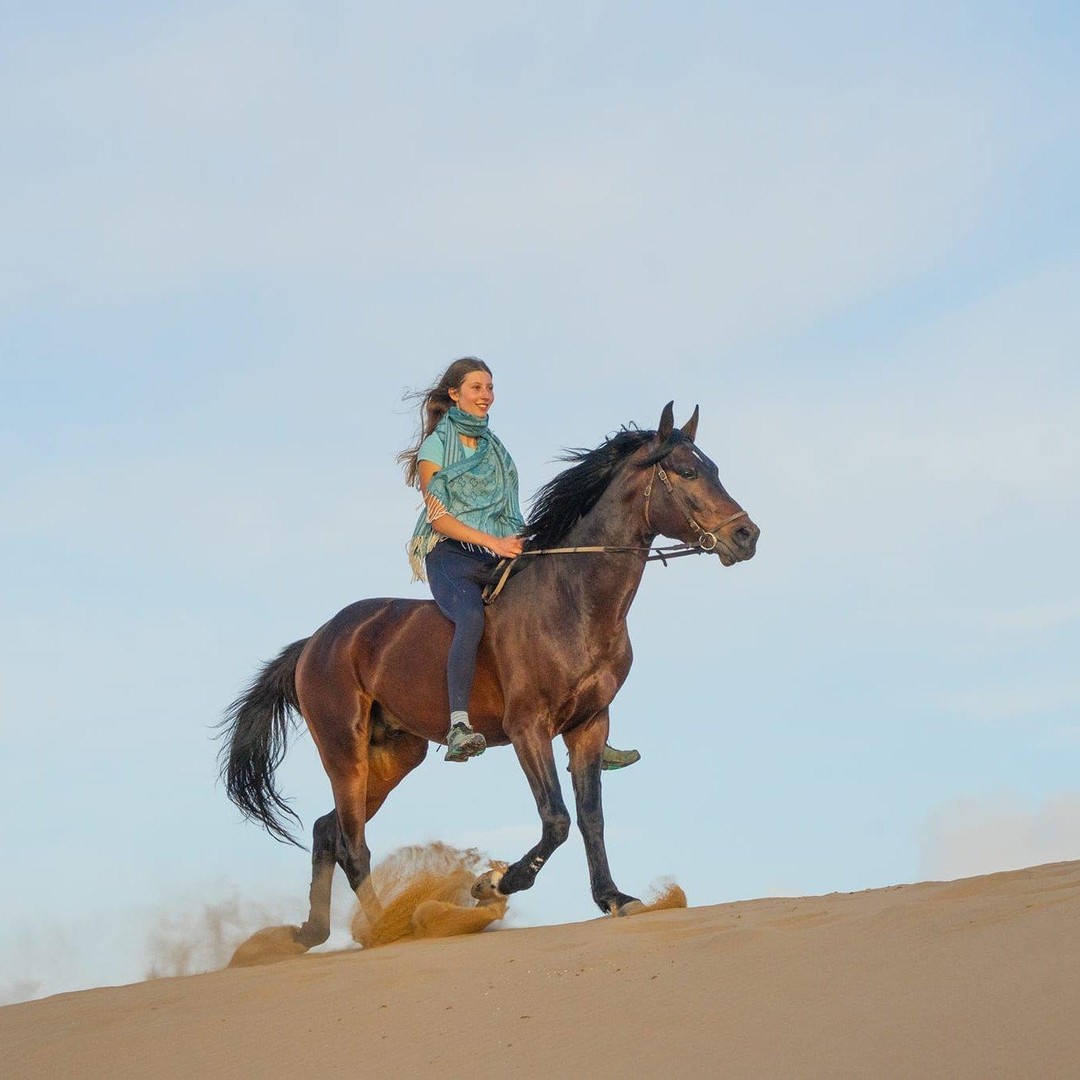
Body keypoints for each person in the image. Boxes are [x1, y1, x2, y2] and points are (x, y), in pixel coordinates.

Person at [400, 358, 640, 770]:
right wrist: (491, 541)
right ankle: (459, 724)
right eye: (476, 387)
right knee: (471, 617)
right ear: (454, 394)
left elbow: (504, 508)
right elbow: (438, 517)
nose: (486, 395)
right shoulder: (436, 446)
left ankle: (593, 733)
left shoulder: (496, 448)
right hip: (451, 554)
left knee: (560, 609)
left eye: (490, 387)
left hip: (499, 551)